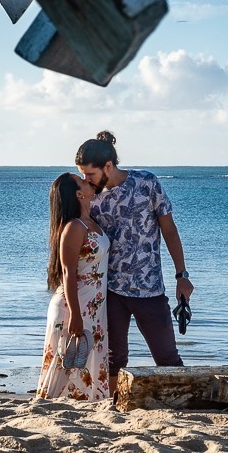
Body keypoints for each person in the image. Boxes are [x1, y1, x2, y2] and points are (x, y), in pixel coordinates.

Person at [75, 131, 192, 380]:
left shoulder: (146, 183)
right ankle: (115, 407)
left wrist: (181, 274)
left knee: (167, 357)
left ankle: (184, 403)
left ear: (108, 165)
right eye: (82, 174)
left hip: (149, 289)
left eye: (90, 174)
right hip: (110, 290)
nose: (86, 179)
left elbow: (169, 230)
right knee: (115, 359)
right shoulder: (90, 198)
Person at [36, 173, 111, 400]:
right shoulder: (74, 227)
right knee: (65, 362)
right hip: (74, 306)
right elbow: (68, 273)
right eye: (83, 181)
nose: (88, 181)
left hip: (92, 304)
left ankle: (88, 401)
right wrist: (76, 315)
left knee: (82, 359)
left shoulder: (91, 222)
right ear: (79, 193)